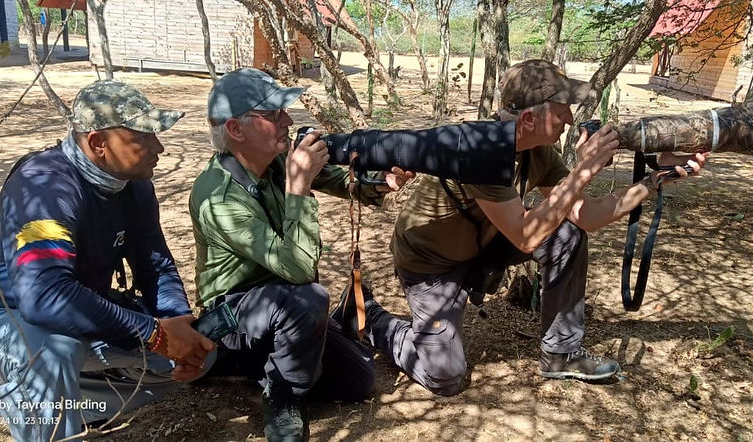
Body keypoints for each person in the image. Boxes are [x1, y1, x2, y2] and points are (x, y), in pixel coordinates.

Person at [361, 59, 709, 396]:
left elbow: (585, 216)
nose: (570, 119)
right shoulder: (480, 151)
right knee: (444, 376)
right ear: (529, 118)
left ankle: (561, 352)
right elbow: (526, 237)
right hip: (431, 264)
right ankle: (371, 317)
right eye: (561, 110)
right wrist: (583, 171)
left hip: (485, 243)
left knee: (567, 232)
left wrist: (653, 181)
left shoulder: (538, 152)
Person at [0, 80, 216, 440]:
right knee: (53, 351)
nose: (158, 147)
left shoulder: (134, 186)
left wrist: (176, 322)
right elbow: (44, 296)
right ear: (99, 143)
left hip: (71, 320)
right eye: (143, 138)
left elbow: (155, 266)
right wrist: (152, 333)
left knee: (199, 353)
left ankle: (62, 401)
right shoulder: (44, 187)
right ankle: (49, 411)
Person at [188, 68, 413, 442]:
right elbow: (298, 269)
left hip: (284, 303)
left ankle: (279, 356)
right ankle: (283, 393)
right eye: (274, 114)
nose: (287, 121)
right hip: (235, 315)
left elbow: (342, 181)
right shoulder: (218, 198)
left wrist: (380, 182)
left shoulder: (273, 160)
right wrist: (298, 187)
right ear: (235, 129)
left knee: (359, 380)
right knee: (309, 299)